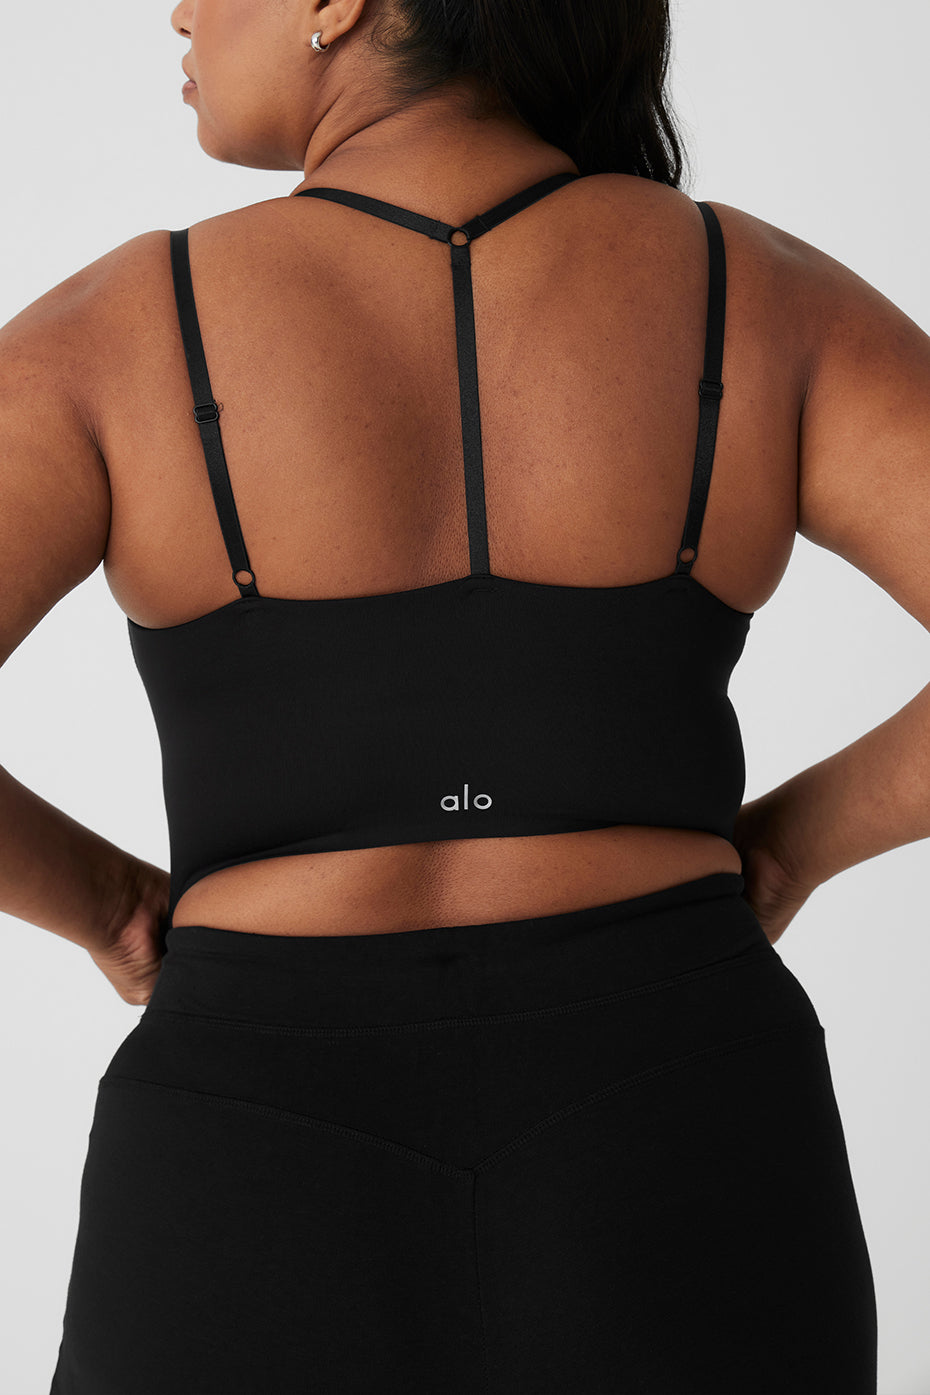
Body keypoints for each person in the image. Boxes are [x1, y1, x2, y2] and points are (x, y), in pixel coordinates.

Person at [6, 0, 930, 1388]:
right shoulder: (755, 290)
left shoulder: (117, 330)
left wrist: (114, 911)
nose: (181, 8)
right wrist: (790, 848)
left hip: (249, 1146)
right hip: (684, 1120)